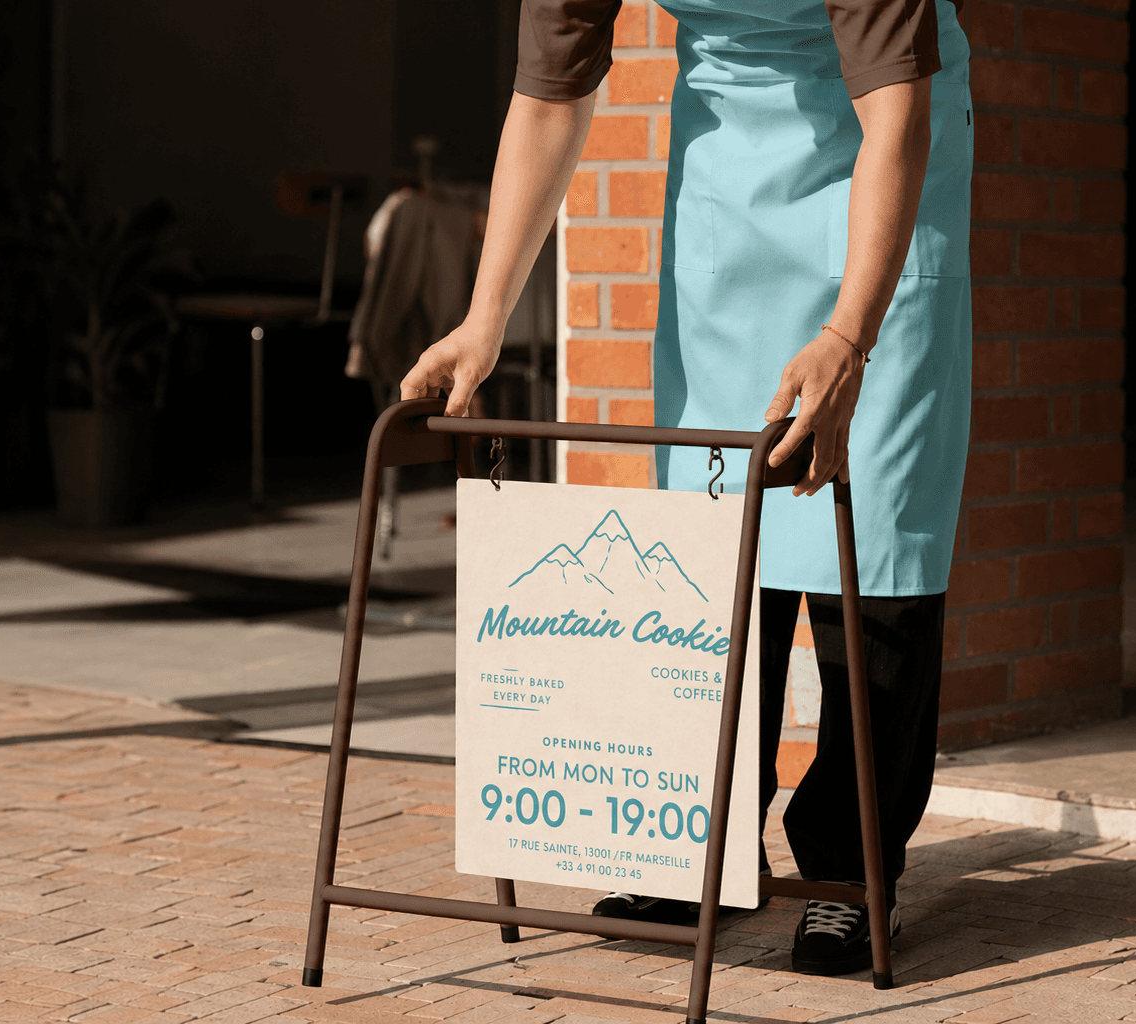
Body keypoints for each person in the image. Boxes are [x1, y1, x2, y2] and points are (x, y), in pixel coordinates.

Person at [401, 0, 971, 978]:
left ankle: (846, 873)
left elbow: (896, 113)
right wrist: (484, 315)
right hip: (728, 167)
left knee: (871, 529)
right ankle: (701, 843)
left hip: (885, 151)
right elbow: (548, 97)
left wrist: (848, 336)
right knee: (714, 529)